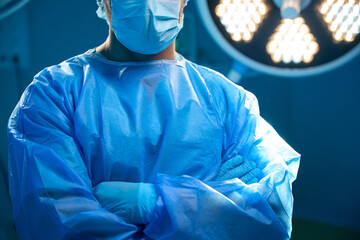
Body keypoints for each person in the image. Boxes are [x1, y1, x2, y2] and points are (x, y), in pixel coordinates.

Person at [8, 0, 300, 239]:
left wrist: (152, 203)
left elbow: (272, 211)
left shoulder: (227, 100)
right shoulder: (54, 95)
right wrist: (209, 205)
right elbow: (63, 226)